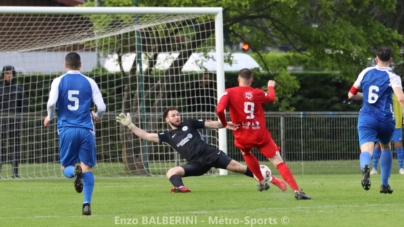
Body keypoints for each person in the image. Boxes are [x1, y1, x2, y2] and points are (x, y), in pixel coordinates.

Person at [115, 106, 287, 193]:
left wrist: (227, 124)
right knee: (171, 171)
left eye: (177, 114)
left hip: (211, 154)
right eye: (173, 115)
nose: (177, 116)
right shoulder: (168, 136)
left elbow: (213, 124)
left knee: (239, 168)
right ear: (167, 119)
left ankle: (269, 179)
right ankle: (181, 188)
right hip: (196, 164)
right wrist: (131, 126)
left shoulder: (189, 123)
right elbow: (145, 135)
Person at [216, 68, 311, 200]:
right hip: (259, 133)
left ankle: (261, 181)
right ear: (252, 80)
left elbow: (219, 109)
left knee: (246, 153)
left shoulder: (229, 92)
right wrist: (270, 87)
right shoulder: (257, 93)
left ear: (238, 79)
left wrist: (225, 123)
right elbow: (271, 98)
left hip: (242, 134)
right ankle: (297, 191)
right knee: (278, 161)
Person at [43, 52, 106, 215]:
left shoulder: (58, 81)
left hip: (67, 129)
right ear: (80, 64)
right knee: (88, 168)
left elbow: (51, 103)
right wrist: (97, 116)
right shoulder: (89, 81)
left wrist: (49, 117)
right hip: (86, 129)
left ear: (65, 65)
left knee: (65, 168)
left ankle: (74, 172)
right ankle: (86, 204)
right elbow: (102, 107)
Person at [348, 46, 404, 194]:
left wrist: (364, 96)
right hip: (386, 119)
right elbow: (401, 98)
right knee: (386, 146)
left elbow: (351, 94)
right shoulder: (393, 77)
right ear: (391, 60)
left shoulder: (366, 72)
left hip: (367, 117)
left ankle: (366, 165)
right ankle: (384, 185)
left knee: (366, 149)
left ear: (376, 59)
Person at [0, 65, 28, 178]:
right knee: (1, 147)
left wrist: (22, 122)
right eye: (7, 73)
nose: (9, 75)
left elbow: (24, 107)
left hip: (15, 122)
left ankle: (15, 173)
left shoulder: (19, 89)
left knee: (15, 147)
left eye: (10, 73)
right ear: (3, 75)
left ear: (13, 74)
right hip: (2, 122)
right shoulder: (0, 89)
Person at [370, 94, 404, 175]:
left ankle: (401, 168)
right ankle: (374, 168)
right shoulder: (382, 91)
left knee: (398, 144)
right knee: (378, 144)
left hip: (396, 124)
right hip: (383, 123)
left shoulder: (398, 92)